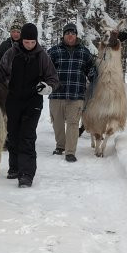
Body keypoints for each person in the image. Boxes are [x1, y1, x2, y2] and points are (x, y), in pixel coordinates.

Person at [0, 22, 58, 188]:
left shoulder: (42, 56)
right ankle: (15, 167)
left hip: (33, 101)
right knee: (14, 135)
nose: (30, 45)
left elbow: (53, 78)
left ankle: (26, 174)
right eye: (26, 42)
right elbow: (0, 74)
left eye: (33, 42)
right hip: (13, 100)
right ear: (21, 40)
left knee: (27, 136)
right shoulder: (11, 53)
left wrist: (47, 88)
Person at [47, 22, 97, 162]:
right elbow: (46, 70)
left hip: (76, 95)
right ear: (63, 35)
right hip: (57, 94)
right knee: (57, 122)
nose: (70, 35)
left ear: (76, 35)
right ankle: (60, 146)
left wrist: (94, 73)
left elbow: (91, 70)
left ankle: (70, 151)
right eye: (67, 33)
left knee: (73, 123)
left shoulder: (84, 52)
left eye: (73, 33)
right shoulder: (53, 51)